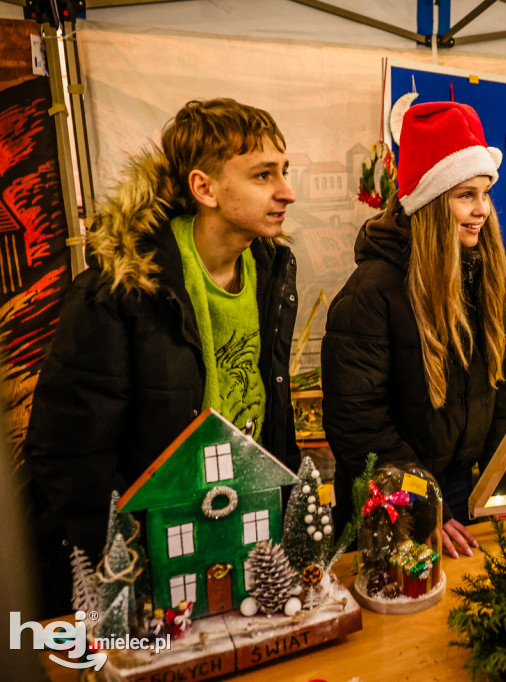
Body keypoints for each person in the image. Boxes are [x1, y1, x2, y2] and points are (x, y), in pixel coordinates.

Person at [24, 98, 300, 617]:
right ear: (205, 188)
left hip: (247, 535)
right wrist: (124, 570)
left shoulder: (272, 273)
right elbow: (68, 454)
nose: (287, 191)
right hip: (153, 558)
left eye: (285, 171)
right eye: (264, 174)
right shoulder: (119, 290)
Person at [321, 101, 506, 560]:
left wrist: (498, 482)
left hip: (461, 483)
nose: (481, 210)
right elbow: (357, 422)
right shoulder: (371, 293)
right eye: (465, 195)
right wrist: (421, 504)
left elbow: (505, 385)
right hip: (390, 494)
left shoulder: (486, 277)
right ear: (430, 201)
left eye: (485, 193)